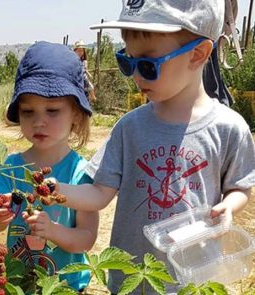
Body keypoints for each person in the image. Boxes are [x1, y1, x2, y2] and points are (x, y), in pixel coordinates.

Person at [49, 0, 255, 294]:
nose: (135, 75)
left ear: (198, 54)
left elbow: (239, 187)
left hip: (194, 278)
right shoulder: (129, 128)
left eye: (147, 65)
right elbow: (99, 194)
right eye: (127, 62)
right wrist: (56, 190)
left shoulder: (229, 128)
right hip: (135, 278)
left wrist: (229, 206)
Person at [0, 41, 99, 292]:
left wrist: (54, 231)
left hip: (65, 287)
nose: (39, 121)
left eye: (52, 110)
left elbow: (86, 239)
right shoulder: (11, 168)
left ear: (77, 115)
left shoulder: (81, 174)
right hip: (18, 284)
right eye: (28, 112)